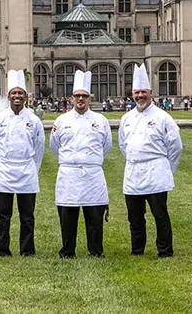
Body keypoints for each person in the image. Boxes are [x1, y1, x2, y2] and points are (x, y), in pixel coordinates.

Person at [118, 64, 183, 257]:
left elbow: (175, 146)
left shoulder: (163, 117)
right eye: (136, 92)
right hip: (133, 173)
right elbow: (123, 144)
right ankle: (137, 249)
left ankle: (164, 250)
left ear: (151, 93)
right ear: (132, 94)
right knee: (135, 216)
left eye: (143, 92)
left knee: (160, 215)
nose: (140, 96)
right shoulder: (127, 118)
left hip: (156, 172)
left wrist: (167, 168)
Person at [50, 70, 112, 258]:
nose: (80, 99)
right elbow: (55, 145)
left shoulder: (101, 120)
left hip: (92, 173)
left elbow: (106, 145)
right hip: (69, 173)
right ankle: (67, 250)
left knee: (94, 215)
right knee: (68, 215)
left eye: (84, 96)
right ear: (71, 98)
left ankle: (95, 250)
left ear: (90, 99)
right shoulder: (61, 120)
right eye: (77, 96)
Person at [0, 69, 45, 256]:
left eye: (20, 93)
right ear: (8, 96)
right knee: (3, 215)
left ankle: (27, 249)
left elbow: (39, 147)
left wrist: (32, 168)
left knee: (27, 216)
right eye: (14, 93)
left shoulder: (34, 120)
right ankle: (3, 249)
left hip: (27, 170)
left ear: (26, 96)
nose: (17, 96)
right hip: (3, 170)